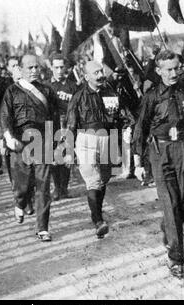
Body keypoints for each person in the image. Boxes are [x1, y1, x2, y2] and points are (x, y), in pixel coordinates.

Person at [132, 50, 184, 279]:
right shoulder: (151, 96)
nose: (174, 73)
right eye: (169, 69)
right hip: (160, 151)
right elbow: (140, 128)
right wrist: (138, 161)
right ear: (159, 71)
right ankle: (176, 258)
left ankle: (168, 228)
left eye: (177, 68)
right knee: (171, 204)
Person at [0, 54, 58, 242]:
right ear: (21, 69)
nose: (34, 71)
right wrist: (8, 137)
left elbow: (54, 118)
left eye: (36, 68)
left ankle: (42, 228)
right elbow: (5, 117)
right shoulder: (12, 91)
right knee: (23, 184)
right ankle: (20, 202)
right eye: (30, 68)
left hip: (43, 140)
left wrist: (58, 143)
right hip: (21, 141)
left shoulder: (47, 91)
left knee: (43, 185)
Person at [66, 60, 123, 239]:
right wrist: (68, 151)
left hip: (107, 138)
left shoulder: (110, 93)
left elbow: (118, 118)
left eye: (101, 71)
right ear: (86, 77)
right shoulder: (79, 96)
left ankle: (96, 213)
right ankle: (98, 221)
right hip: (86, 139)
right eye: (96, 73)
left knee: (104, 179)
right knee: (93, 180)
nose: (100, 75)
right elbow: (70, 125)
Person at [45, 52, 79, 200]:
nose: (59, 71)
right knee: (53, 157)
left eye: (61, 67)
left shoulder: (73, 86)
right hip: (50, 124)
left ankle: (64, 188)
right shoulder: (46, 86)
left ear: (66, 68)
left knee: (65, 156)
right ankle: (57, 188)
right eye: (56, 67)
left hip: (67, 124)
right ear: (51, 67)